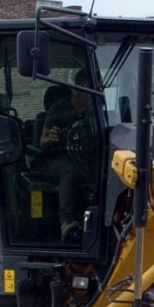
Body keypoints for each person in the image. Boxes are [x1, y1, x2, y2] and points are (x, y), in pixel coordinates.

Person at [37, 72, 98, 243]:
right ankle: (66, 222)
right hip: (55, 161)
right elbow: (43, 141)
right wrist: (52, 137)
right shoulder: (58, 109)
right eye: (91, 88)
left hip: (85, 160)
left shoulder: (95, 112)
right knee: (68, 169)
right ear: (80, 89)